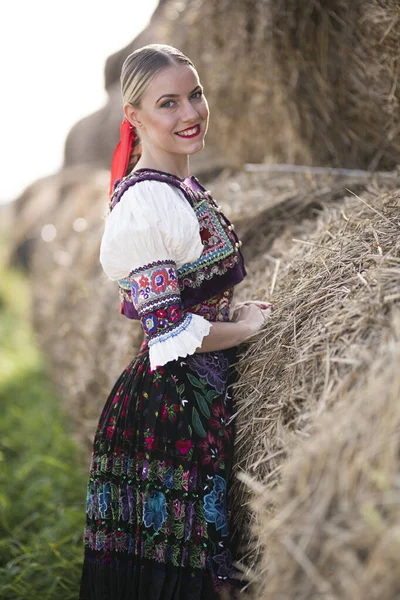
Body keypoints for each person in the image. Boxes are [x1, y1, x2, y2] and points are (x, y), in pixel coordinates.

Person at [79, 44, 272, 600]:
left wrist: (231, 316)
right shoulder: (144, 205)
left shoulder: (181, 188)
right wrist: (250, 329)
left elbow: (193, 303)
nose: (190, 113)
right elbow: (168, 330)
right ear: (135, 117)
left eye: (196, 94)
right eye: (169, 103)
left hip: (197, 399)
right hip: (169, 416)